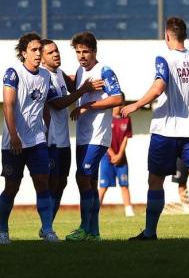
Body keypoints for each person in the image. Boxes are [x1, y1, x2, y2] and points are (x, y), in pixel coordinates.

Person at [121, 17, 189, 240]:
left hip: (166, 131)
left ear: (167, 36)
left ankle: (150, 232)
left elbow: (158, 88)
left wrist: (135, 105)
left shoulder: (164, 58)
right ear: (184, 35)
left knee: (156, 179)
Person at [0, 33, 59, 244]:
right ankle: (2, 231)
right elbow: (8, 104)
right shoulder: (13, 73)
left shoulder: (45, 76)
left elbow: (44, 106)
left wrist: (46, 129)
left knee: (43, 183)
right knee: (12, 186)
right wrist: (14, 135)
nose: (37, 53)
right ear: (24, 53)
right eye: (33, 50)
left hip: (36, 140)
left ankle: (48, 230)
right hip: (13, 141)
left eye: (39, 50)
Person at [40, 39, 104, 229]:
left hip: (63, 141)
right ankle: (47, 227)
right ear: (42, 58)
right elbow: (59, 103)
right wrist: (84, 89)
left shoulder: (59, 73)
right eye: (50, 52)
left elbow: (75, 84)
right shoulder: (44, 76)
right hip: (51, 140)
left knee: (62, 183)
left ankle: (49, 227)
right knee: (52, 183)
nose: (56, 54)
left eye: (57, 51)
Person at [65, 32, 123, 241]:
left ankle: (84, 228)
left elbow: (118, 97)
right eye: (78, 52)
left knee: (81, 177)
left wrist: (88, 106)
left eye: (86, 52)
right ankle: (93, 233)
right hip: (83, 137)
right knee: (89, 180)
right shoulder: (80, 72)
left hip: (98, 137)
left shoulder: (104, 71)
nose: (81, 56)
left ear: (94, 52)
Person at [99, 95, 135, 217]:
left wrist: (119, 154)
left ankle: (129, 210)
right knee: (103, 185)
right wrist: (112, 153)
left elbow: (126, 138)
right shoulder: (107, 118)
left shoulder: (127, 119)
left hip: (121, 158)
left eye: (121, 103)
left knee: (124, 184)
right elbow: (103, 137)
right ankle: (96, 210)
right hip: (107, 157)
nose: (118, 106)